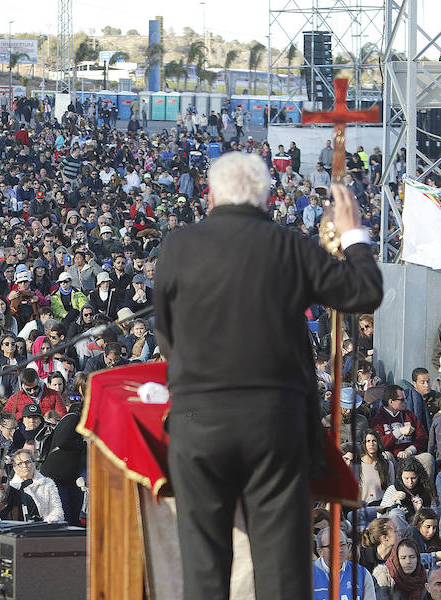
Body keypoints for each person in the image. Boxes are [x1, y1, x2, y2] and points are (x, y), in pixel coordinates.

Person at [153, 152, 383, 600]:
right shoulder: (289, 245)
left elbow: (166, 334)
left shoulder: (178, 246)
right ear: (266, 197)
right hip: (274, 426)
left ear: (211, 195)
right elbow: (364, 292)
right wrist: (353, 230)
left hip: (199, 423)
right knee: (281, 572)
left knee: (204, 570)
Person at [312, 527, 375, 600]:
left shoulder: (362, 574)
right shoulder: (307, 575)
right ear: (320, 552)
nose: (339, 550)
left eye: (342, 545)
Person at [8, 448, 64, 523]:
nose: (24, 466)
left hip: (46, 527)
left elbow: (56, 510)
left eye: (28, 462)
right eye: (19, 464)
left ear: (34, 463)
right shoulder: (12, 487)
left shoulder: (48, 483)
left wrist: (45, 525)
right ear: (14, 468)